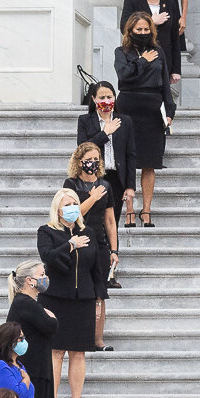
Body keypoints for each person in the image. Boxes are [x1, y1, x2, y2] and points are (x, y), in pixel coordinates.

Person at [36, 191, 104, 398]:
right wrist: (70, 245)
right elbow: (49, 258)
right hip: (56, 298)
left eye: (75, 203)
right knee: (56, 351)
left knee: (79, 352)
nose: (73, 207)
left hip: (83, 298)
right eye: (68, 204)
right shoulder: (47, 231)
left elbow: (96, 268)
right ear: (58, 209)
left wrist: (98, 297)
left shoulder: (89, 232)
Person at [112, 12, 172, 225]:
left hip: (152, 108)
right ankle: (129, 209)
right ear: (130, 31)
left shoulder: (158, 51)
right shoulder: (122, 52)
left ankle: (146, 211)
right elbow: (124, 75)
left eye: (147, 29)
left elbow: (165, 82)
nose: (143, 33)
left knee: (150, 162)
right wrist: (142, 61)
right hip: (128, 107)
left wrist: (170, 111)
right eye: (139, 29)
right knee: (128, 160)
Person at [75, 83, 135, 286]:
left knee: (111, 223)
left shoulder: (124, 121)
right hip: (93, 179)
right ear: (93, 99)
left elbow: (130, 155)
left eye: (109, 96)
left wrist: (130, 186)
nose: (106, 101)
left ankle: (109, 273)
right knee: (93, 223)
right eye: (101, 97)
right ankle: (91, 270)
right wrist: (105, 133)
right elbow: (82, 149)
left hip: (116, 179)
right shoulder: (85, 120)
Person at [64, 143, 118, 340]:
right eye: (88, 160)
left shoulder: (105, 186)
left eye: (96, 160)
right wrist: (92, 197)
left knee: (99, 293)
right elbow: (72, 216)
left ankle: (98, 338)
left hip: (99, 244)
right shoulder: (70, 185)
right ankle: (77, 334)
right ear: (79, 162)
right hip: (77, 241)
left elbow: (110, 220)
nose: (92, 164)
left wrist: (114, 250)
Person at [121, 0, 185, 112]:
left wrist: (176, 69)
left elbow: (175, 38)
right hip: (139, 57)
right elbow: (124, 26)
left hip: (164, 59)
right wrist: (151, 21)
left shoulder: (169, 4)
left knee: (161, 98)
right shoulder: (132, 1)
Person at [1, 261, 60, 398]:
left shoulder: (25, 302)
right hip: (32, 369)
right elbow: (50, 325)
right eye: (41, 275)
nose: (45, 278)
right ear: (29, 280)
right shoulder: (25, 303)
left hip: (33, 367)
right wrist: (52, 317)